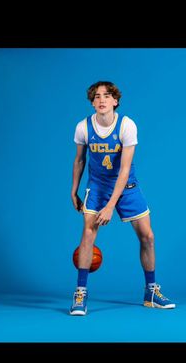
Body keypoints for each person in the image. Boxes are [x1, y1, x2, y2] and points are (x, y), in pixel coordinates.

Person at [70, 80, 176, 315]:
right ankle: (80, 294)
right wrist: (73, 189)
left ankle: (151, 291)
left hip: (126, 186)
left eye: (107, 96)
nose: (101, 100)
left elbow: (125, 169)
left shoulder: (127, 126)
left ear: (115, 101)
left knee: (148, 237)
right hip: (97, 187)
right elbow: (79, 160)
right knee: (88, 233)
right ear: (92, 102)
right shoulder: (83, 127)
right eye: (97, 97)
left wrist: (110, 207)